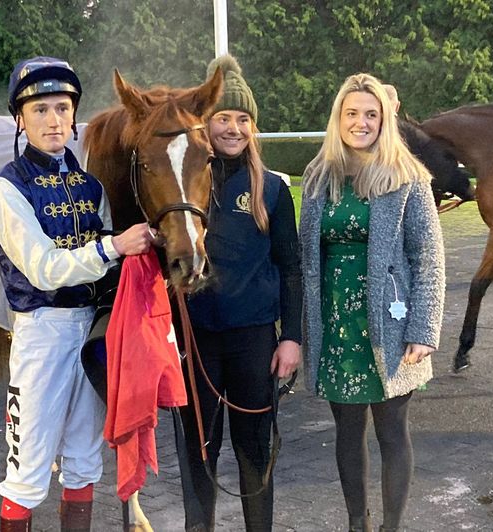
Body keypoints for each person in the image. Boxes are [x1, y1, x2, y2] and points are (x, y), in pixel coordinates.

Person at [0, 56, 155, 532]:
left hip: (91, 335)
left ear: (74, 114)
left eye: (62, 108)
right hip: (42, 334)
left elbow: (115, 268)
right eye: (40, 110)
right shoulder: (2, 189)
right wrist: (115, 246)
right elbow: (42, 269)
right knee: (27, 472)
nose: (53, 120)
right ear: (20, 119)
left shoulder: (91, 187)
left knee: (83, 461)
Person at [300, 74, 445, 532]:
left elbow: (429, 258)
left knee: (391, 431)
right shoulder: (318, 177)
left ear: (384, 119)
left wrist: (424, 329)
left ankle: (391, 527)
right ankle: (356, 523)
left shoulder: (408, 178)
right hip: (336, 323)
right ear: (338, 119)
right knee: (346, 431)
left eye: (370, 114)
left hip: (390, 325)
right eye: (352, 113)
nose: (360, 123)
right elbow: (307, 257)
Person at [180, 55, 302, 532]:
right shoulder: (185, 186)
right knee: (199, 450)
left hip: (254, 340)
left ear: (253, 127)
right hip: (197, 340)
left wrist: (291, 338)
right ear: (205, 125)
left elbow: (291, 268)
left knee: (253, 448)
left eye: (243, 119)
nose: (233, 128)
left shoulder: (272, 189)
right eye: (223, 118)